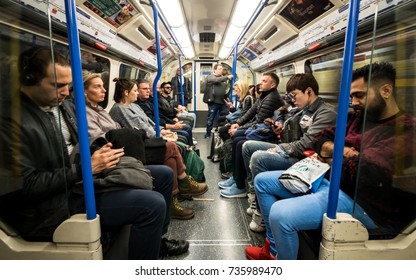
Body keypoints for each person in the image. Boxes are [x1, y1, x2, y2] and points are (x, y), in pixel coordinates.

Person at [0, 47, 174, 259]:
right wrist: (86, 168)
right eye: (58, 85)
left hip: (77, 182)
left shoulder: (60, 107)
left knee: (164, 175)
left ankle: (157, 243)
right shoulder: (11, 122)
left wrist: (99, 151)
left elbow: (75, 146)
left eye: (68, 86)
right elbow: (23, 187)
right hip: (52, 204)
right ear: (29, 79)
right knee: (152, 205)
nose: (66, 92)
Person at [245, 62, 416, 260]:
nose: (353, 102)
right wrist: (343, 151)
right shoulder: (356, 118)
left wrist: (333, 153)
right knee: (262, 181)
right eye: (351, 96)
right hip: (327, 179)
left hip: (360, 202)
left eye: (359, 95)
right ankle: (273, 250)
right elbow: (320, 139)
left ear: (386, 90)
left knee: (280, 214)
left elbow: (365, 170)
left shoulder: (405, 129)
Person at [83, 74, 208, 219]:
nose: (104, 90)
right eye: (98, 87)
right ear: (126, 93)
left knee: (171, 160)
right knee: (173, 147)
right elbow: (125, 131)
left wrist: (161, 131)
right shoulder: (115, 109)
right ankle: (184, 182)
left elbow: (148, 122)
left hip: (137, 140)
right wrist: (160, 135)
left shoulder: (108, 109)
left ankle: (174, 199)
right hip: (127, 147)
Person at [240, 73, 337, 232]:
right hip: (294, 151)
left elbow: (305, 144)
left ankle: (262, 216)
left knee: (259, 158)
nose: (292, 99)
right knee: (248, 146)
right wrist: (281, 129)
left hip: (308, 161)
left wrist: (279, 148)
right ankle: (254, 197)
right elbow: (294, 133)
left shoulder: (325, 113)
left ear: (309, 92)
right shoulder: (303, 110)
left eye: (294, 95)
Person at [218, 72, 285, 198]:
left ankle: (239, 186)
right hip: (260, 130)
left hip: (268, 133)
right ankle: (236, 177)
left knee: (239, 142)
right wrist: (238, 123)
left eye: (264, 81)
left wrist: (239, 129)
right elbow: (251, 112)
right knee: (237, 138)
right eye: (261, 80)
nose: (261, 83)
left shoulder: (271, 98)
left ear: (272, 85)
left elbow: (259, 121)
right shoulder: (264, 96)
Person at [204, 64, 233, 138]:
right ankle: (208, 134)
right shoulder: (211, 77)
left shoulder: (222, 78)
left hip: (223, 102)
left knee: (225, 118)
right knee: (210, 118)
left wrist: (227, 97)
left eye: (222, 69)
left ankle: (221, 131)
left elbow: (225, 90)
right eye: (219, 69)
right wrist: (227, 77)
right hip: (213, 102)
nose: (221, 70)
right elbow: (215, 80)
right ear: (215, 70)